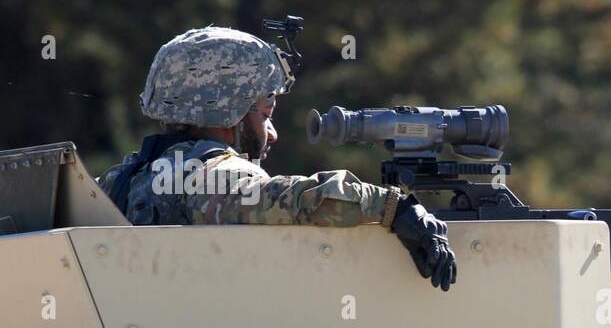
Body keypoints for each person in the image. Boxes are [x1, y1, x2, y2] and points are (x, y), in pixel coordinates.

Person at [97, 25, 456, 290]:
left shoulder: (122, 179)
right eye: (265, 112)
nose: (273, 133)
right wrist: (396, 208)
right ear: (228, 110)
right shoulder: (211, 177)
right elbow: (295, 201)